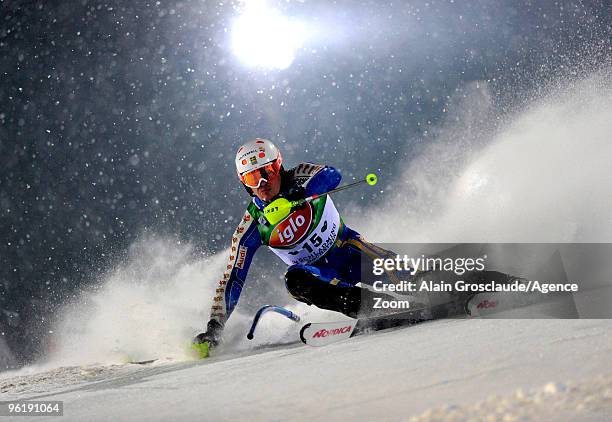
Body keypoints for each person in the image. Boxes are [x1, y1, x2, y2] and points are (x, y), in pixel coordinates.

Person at [193, 138, 397, 349]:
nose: (262, 184)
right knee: (294, 280)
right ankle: (371, 306)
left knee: (409, 276)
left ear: (278, 166)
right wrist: (214, 328)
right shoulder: (253, 225)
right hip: (319, 274)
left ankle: (422, 279)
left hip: (348, 250)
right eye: (252, 178)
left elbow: (332, 174)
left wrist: (298, 194)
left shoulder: (300, 176)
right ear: (244, 183)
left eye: (267, 172)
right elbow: (233, 277)